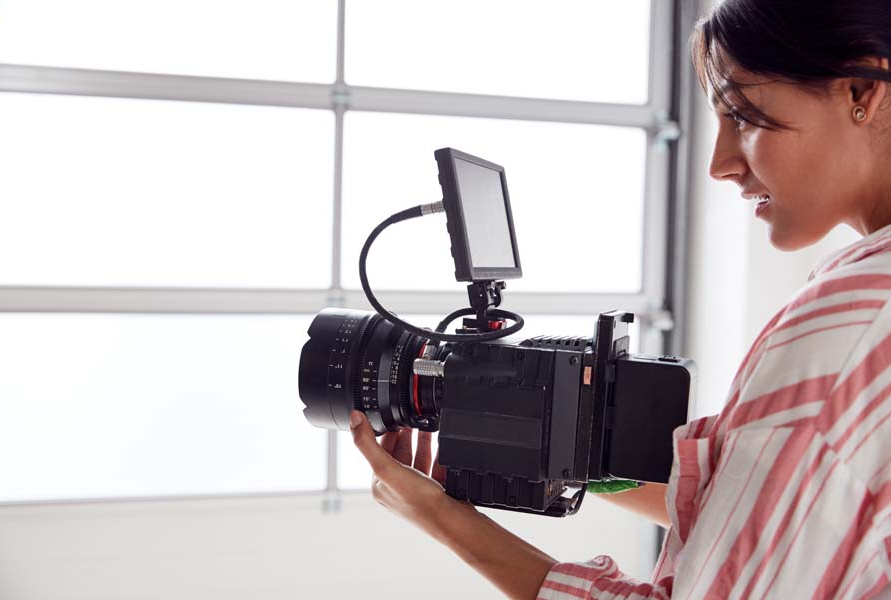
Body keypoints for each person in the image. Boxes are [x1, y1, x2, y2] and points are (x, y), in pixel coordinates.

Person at [350, 0, 891, 597]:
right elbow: (792, 526)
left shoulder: (850, 324)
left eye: (744, 117)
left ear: (859, 89)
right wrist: (586, 461)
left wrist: (442, 519)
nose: (719, 165)